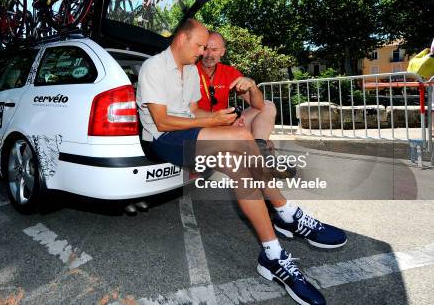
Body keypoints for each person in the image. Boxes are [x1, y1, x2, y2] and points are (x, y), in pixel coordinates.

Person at [136, 18, 346, 305]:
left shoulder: (190, 71)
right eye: (199, 46)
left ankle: (272, 255)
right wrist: (214, 121)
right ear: (182, 40)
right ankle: (288, 212)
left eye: (207, 47)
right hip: (162, 139)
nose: (201, 52)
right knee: (241, 138)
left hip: (188, 132)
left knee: (239, 169)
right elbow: (161, 121)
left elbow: (193, 111)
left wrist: (217, 120)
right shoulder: (154, 67)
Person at [196, 32, 294, 177]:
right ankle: (261, 158)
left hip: (226, 125)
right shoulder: (190, 70)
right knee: (267, 145)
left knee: (268, 106)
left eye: (215, 50)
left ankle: (260, 149)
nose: (209, 54)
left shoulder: (229, 72)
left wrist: (253, 86)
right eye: (205, 48)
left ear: (223, 52)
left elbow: (259, 106)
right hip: (202, 129)